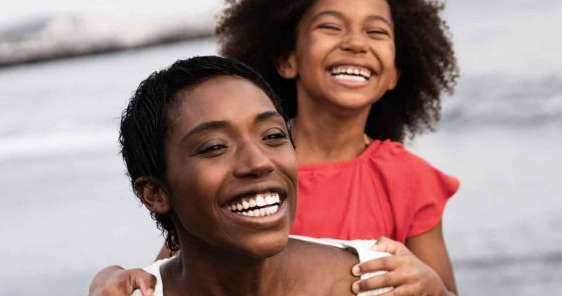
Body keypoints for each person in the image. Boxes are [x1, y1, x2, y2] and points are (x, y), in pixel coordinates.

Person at [90, 0, 460, 296]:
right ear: (287, 58)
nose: (356, 43)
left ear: (397, 72)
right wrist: (113, 275)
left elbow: (442, 291)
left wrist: (429, 286)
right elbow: (180, 263)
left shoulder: (407, 179)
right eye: (331, 27)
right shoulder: (238, 173)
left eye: (376, 31)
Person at [112, 55, 395, 296]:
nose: (259, 163)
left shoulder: (383, 280)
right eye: (214, 147)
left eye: (273, 135)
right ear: (155, 193)